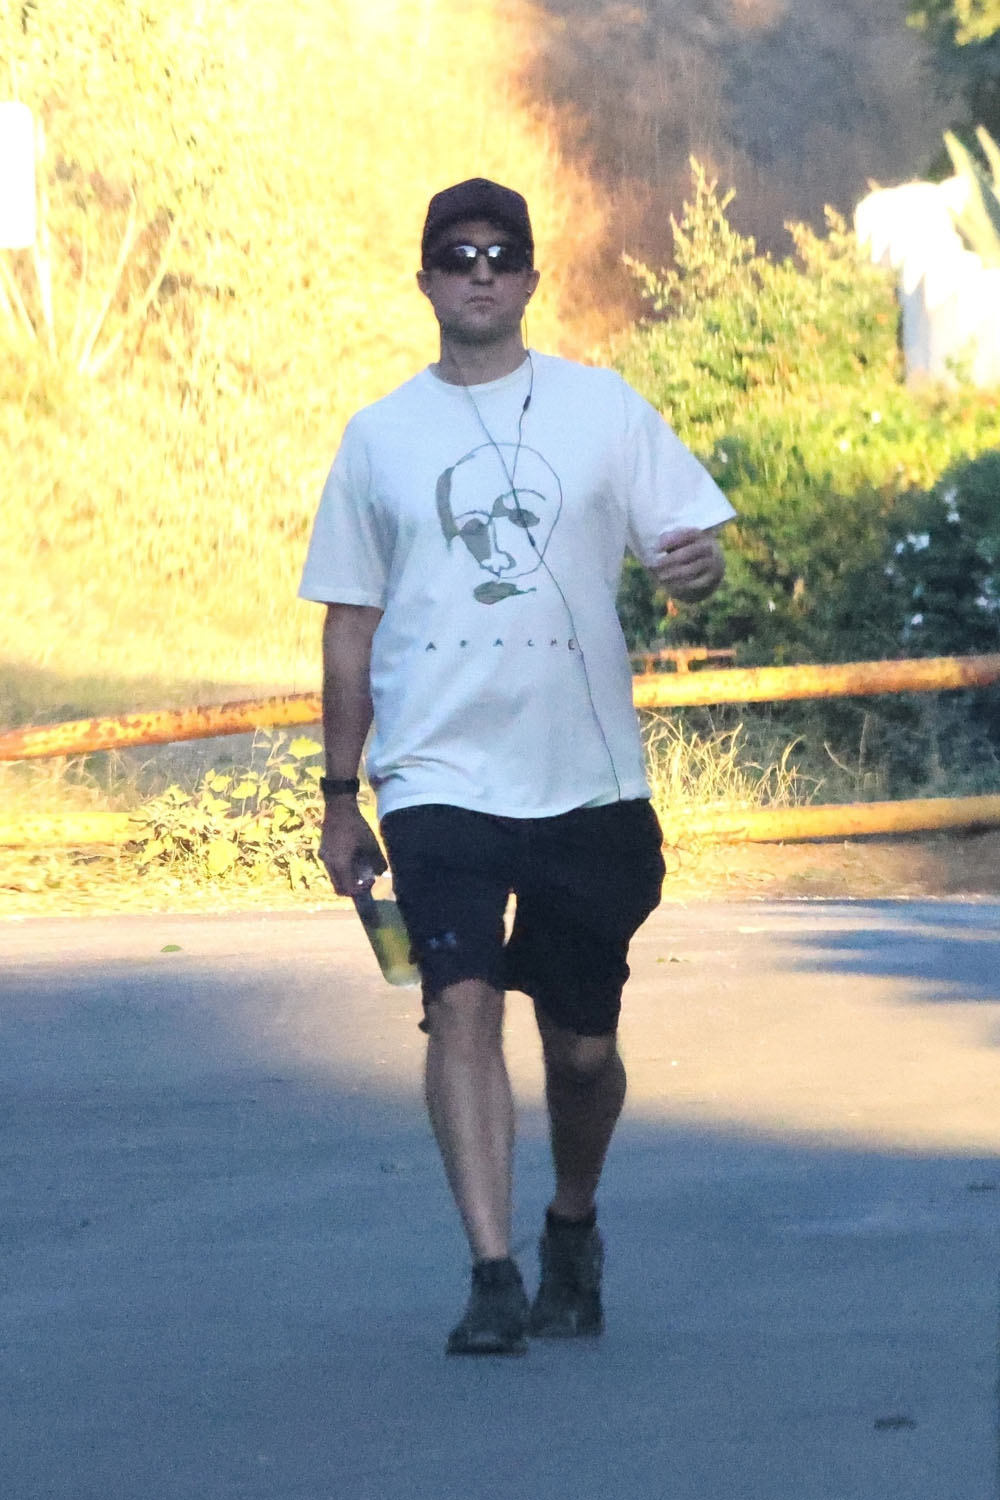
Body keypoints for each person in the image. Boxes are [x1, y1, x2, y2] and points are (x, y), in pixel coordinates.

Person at [299, 178, 735, 1356]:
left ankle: (570, 1225)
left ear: (532, 277)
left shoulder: (603, 409)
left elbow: (689, 555)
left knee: (581, 1049)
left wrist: (696, 574)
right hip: (434, 774)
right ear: (426, 281)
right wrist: (340, 797)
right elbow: (348, 624)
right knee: (458, 1003)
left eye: (500, 253)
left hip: (586, 779)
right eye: (457, 255)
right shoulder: (380, 436)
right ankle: (491, 1274)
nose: (479, 271)